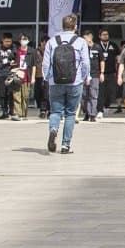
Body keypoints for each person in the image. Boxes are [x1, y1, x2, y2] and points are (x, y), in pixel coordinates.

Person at [41, 12, 87, 155]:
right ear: (75, 26)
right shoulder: (80, 42)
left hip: (55, 82)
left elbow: (45, 64)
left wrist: (47, 78)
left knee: (55, 111)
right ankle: (65, 146)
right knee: (70, 114)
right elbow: (85, 63)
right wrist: (84, 77)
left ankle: (53, 129)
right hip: (75, 82)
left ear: (62, 26)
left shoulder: (52, 41)